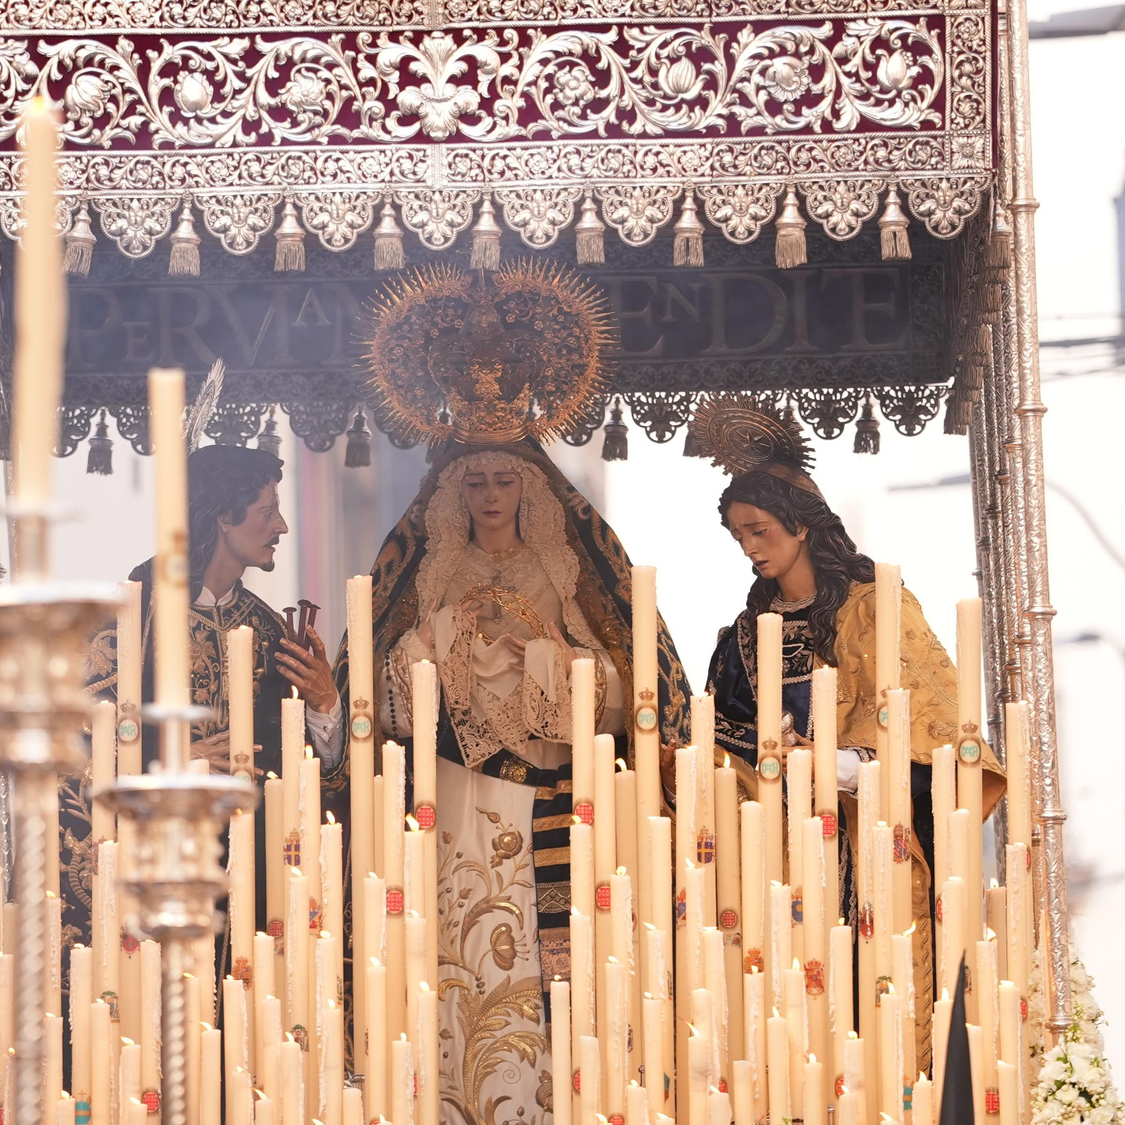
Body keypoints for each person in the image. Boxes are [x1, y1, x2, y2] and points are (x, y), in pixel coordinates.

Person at [345, 261, 694, 1114]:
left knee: (555, 984)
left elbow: (627, 691)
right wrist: (444, 644)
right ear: (452, 490)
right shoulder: (428, 574)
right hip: (459, 803)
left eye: (505, 479)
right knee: (460, 974)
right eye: (475, 481)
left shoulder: (563, 571)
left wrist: (549, 660)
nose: (491, 493)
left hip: (553, 799)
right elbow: (384, 699)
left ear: (530, 487)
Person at [690, 395, 1004, 1072]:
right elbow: (720, 739)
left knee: (868, 1012)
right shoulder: (742, 640)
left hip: (864, 851)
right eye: (738, 535)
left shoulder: (876, 608)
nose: (749, 549)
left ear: (800, 525)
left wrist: (841, 765)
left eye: (759, 530)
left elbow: (937, 733)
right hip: (773, 857)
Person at [76, 443, 345, 960]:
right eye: (267, 512)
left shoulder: (271, 632)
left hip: (252, 883)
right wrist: (170, 764)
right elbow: (76, 753)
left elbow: (319, 774)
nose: (282, 527)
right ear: (223, 516)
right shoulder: (127, 622)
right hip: (155, 877)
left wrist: (324, 705)